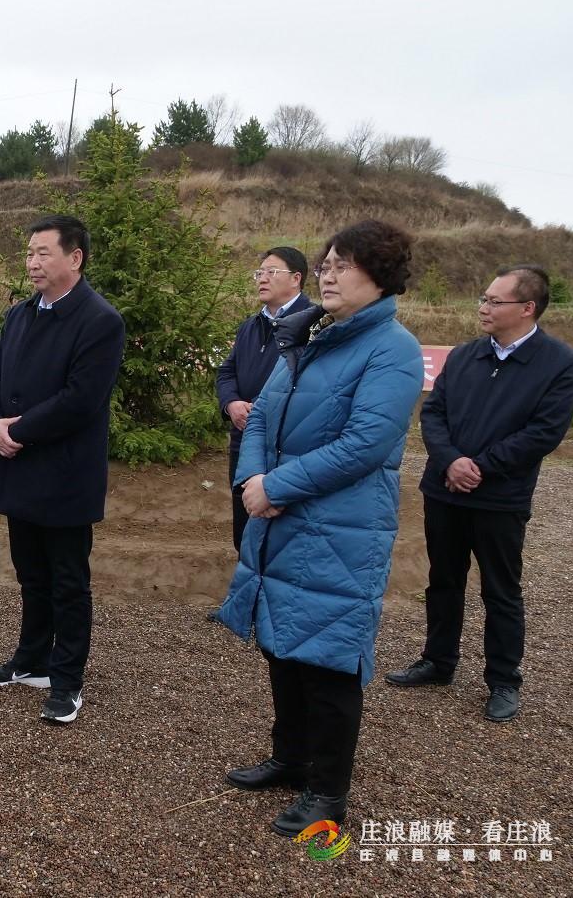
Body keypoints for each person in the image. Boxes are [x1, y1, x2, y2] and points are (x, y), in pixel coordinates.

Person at [217, 219, 423, 837]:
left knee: (329, 660)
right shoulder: (310, 338)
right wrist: (253, 482)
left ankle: (328, 792)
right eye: (326, 264)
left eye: (342, 266)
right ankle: (290, 758)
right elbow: (259, 420)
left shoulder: (394, 349)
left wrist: (275, 487)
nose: (328, 274)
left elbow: (367, 444)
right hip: (281, 520)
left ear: (380, 277)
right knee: (281, 644)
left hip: (339, 530)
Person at [386, 264, 573, 723]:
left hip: (500, 497)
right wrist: (451, 461)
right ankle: (438, 661)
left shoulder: (558, 363)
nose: (483, 307)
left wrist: (481, 468)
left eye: (495, 301)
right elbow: (433, 414)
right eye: (484, 298)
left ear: (527, 308)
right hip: (445, 490)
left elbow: (544, 432)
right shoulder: (465, 355)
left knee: (501, 589)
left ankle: (503, 679)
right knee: (444, 579)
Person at [0, 214, 126, 724]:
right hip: (18, 466)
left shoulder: (99, 320)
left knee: (67, 579)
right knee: (30, 573)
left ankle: (66, 679)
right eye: (30, 253)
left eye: (43, 253)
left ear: (75, 257)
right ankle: (31, 658)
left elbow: (81, 400)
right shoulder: (19, 315)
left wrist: (17, 431)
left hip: (62, 472)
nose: (32, 262)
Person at [215, 248, 313, 550]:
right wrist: (232, 403)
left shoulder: (314, 327)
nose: (262, 279)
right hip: (243, 440)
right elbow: (227, 372)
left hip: (286, 444)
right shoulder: (250, 326)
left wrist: (260, 410)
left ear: (296, 279)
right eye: (259, 273)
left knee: (282, 537)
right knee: (244, 533)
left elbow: (308, 384)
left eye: (272, 272)